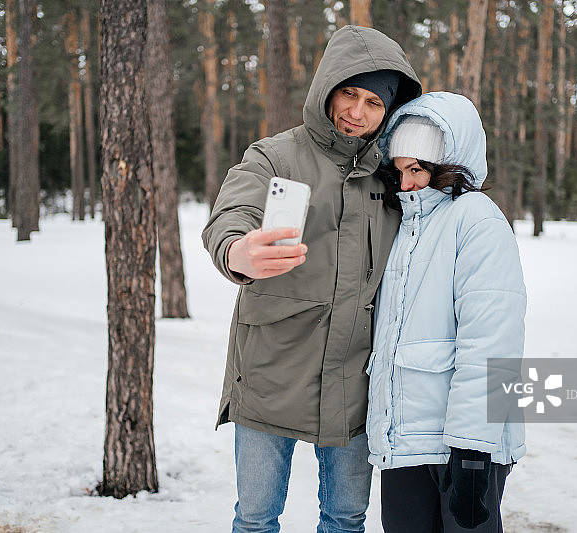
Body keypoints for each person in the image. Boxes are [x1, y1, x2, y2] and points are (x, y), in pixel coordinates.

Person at [201, 25, 421, 532]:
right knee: (256, 518)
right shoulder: (275, 156)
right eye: (349, 92)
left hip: (355, 385)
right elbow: (231, 215)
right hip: (269, 373)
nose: (357, 112)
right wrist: (238, 251)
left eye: (373, 102)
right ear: (327, 87)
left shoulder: (395, 176)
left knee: (346, 519)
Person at [366, 92, 527, 532]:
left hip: (460, 447)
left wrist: (473, 450)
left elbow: (492, 340)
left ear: (450, 164)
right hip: (406, 443)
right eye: (399, 171)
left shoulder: (476, 219)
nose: (406, 182)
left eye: (416, 169)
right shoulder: (404, 224)